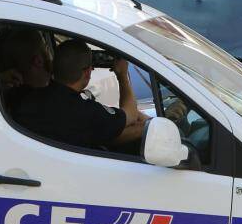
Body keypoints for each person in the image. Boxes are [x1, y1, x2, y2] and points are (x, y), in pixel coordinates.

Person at [12, 38, 147, 149]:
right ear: (88, 72)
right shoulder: (85, 112)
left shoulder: (25, 98)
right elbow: (131, 115)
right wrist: (122, 75)